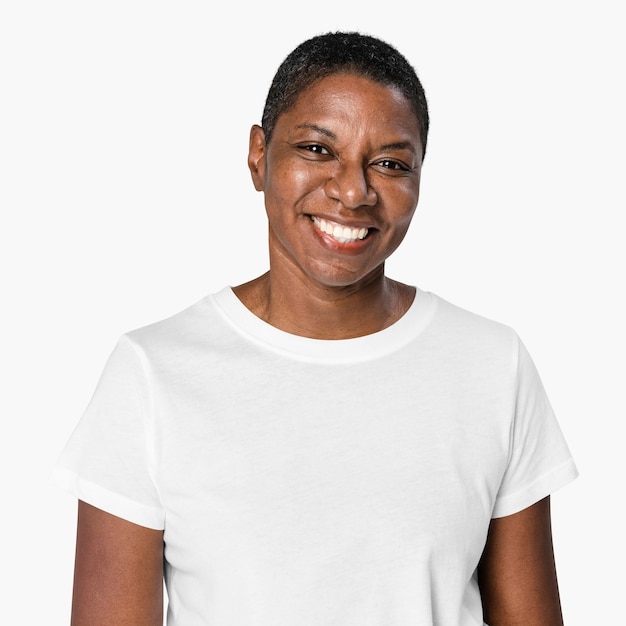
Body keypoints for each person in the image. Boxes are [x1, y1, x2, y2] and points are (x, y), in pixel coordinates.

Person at [55, 31, 578, 625]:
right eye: (317, 149)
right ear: (259, 155)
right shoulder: (152, 373)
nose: (353, 192)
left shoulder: (491, 365)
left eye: (389, 163)